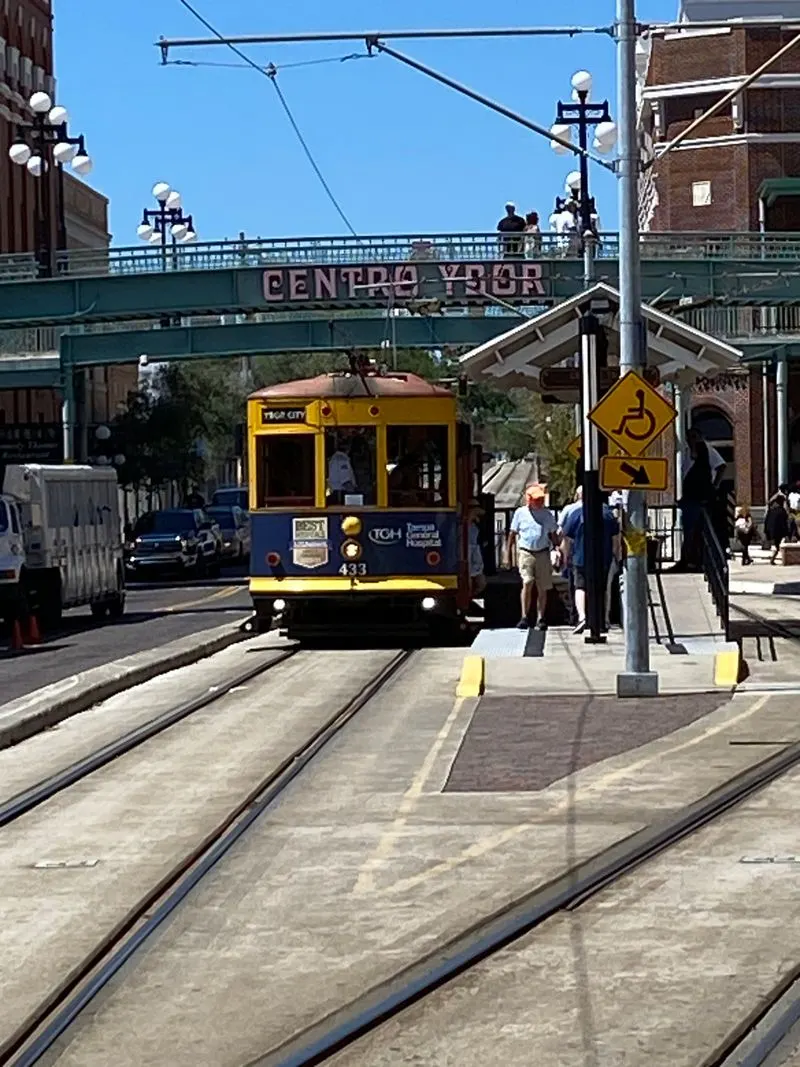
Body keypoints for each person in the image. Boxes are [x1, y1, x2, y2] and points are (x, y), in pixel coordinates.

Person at [561, 495, 621, 636]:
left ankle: (582, 617)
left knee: (580, 587)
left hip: (580, 557)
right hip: (603, 557)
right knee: (604, 588)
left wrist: (565, 557)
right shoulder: (608, 514)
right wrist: (616, 556)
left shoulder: (576, 514)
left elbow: (567, 539)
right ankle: (604, 619)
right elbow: (615, 539)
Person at [504, 483, 559, 631]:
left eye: (541, 499)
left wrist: (558, 549)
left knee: (543, 586)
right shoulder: (520, 513)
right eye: (536, 499)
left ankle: (541, 618)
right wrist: (507, 555)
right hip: (526, 551)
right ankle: (524, 616)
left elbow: (553, 534)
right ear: (529, 500)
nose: (540, 502)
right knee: (527, 582)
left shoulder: (547, 514)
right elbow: (512, 534)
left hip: (543, 552)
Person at [467, 499, 486, 601]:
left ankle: (472, 596)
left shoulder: (475, 523)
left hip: (474, 548)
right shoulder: (462, 523)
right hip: (466, 549)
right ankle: (468, 597)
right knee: (468, 576)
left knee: (480, 581)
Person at [765, 494, 790, 564]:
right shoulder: (782, 511)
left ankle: (773, 559)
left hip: (771, 531)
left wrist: (766, 531)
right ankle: (775, 559)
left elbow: (766, 521)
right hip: (779, 532)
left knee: (776, 546)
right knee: (778, 546)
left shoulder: (771, 510)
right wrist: (786, 533)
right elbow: (784, 523)